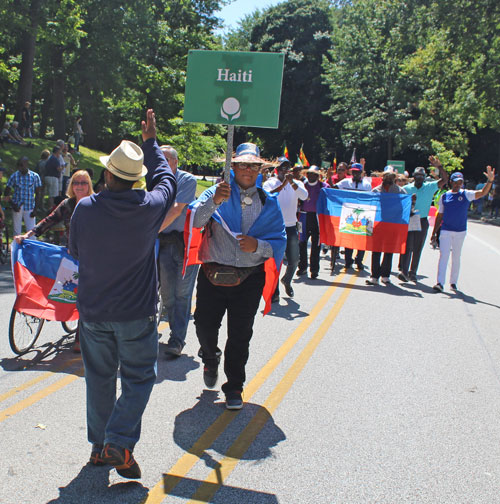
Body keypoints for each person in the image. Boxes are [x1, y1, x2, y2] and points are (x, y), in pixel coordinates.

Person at [69, 109, 177, 479]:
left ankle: (100, 448)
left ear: (107, 174)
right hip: (136, 314)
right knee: (138, 378)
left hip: (94, 312)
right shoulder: (148, 207)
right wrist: (151, 142)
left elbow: (76, 253)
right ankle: (118, 440)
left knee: (99, 378)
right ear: (136, 181)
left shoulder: (84, 208)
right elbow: (166, 179)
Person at [189, 142, 286, 410]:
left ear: (260, 170)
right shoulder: (215, 192)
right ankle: (210, 356)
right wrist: (215, 201)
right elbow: (195, 221)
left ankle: (234, 387)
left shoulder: (269, 202)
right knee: (204, 325)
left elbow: (279, 239)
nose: (247, 169)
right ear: (232, 167)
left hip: (249, 277)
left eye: (253, 165)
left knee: (240, 334)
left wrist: (258, 246)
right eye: (242, 164)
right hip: (212, 273)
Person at [15, 170, 94, 352]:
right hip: (70, 254)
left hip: (90, 256)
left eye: (83, 182)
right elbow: (49, 220)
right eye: (76, 183)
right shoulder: (67, 204)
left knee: (83, 295)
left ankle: (79, 338)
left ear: (89, 185)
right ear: (71, 186)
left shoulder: (95, 204)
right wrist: (29, 234)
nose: (80, 186)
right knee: (63, 289)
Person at [157, 145, 198, 357]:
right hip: (162, 242)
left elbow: (176, 210)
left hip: (185, 243)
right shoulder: (154, 180)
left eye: (166, 159)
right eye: (158, 158)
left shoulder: (187, 180)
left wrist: (148, 231)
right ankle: (174, 331)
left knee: (182, 294)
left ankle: (177, 338)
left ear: (175, 161)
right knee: (167, 294)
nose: (162, 162)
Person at [431, 168, 495, 292]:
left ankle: (453, 282)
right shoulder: (445, 196)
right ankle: (440, 282)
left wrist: (490, 181)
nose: (458, 184)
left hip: (460, 231)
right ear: (451, 182)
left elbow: (482, 193)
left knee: (456, 257)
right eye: (455, 182)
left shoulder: (466, 194)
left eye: (460, 182)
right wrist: (434, 233)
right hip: (446, 230)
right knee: (443, 255)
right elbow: (440, 215)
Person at [263, 156, 308, 301]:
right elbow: (268, 196)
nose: (285, 170)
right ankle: (274, 291)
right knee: (276, 261)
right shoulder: (270, 182)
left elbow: (305, 196)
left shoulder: (297, 183)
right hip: (275, 226)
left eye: (287, 167)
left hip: (291, 226)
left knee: (294, 259)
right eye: (282, 167)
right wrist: (283, 184)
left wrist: (292, 183)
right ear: (277, 169)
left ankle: (287, 280)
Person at [399, 157, 448, 281]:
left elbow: (445, 180)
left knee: (417, 247)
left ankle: (413, 272)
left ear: (424, 177)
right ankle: (404, 272)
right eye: (417, 175)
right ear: (414, 176)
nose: (419, 178)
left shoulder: (430, 186)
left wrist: (439, 167)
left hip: (422, 220)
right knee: (408, 246)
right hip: (410, 219)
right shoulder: (407, 188)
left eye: (421, 176)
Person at [366, 165, 407, 285]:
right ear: (383, 177)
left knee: (389, 250)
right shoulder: (375, 191)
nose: (389, 178)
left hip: (392, 225)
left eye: (391, 176)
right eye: (386, 176)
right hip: (378, 225)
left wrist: (412, 201)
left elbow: (406, 207)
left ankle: (385, 275)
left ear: (394, 177)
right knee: (376, 251)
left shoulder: (400, 191)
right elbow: (369, 207)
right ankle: (374, 276)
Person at [335, 162, 372, 271]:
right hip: (348, 214)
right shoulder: (345, 182)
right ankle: (348, 260)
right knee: (348, 238)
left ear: (361, 173)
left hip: (363, 215)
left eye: (358, 172)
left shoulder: (366, 185)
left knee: (361, 239)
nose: (355, 174)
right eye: (354, 172)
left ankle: (359, 260)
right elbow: (333, 189)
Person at [297, 165, 328, 279]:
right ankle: (302, 267)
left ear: (318, 176)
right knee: (302, 243)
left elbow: (332, 192)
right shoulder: (303, 186)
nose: (311, 176)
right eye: (309, 174)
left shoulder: (323, 186)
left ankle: (314, 270)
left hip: (317, 218)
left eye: (314, 174)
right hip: (303, 217)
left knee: (316, 245)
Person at [4, 156, 42, 236]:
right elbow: (6, 192)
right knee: (17, 232)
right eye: (18, 165)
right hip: (17, 206)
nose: (20, 167)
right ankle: (17, 248)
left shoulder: (35, 176)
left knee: (32, 232)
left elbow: (38, 193)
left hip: (30, 206)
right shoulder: (14, 176)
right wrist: (12, 204)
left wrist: (35, 209)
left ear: (26, 164)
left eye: (21, 165)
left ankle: (30, 248)